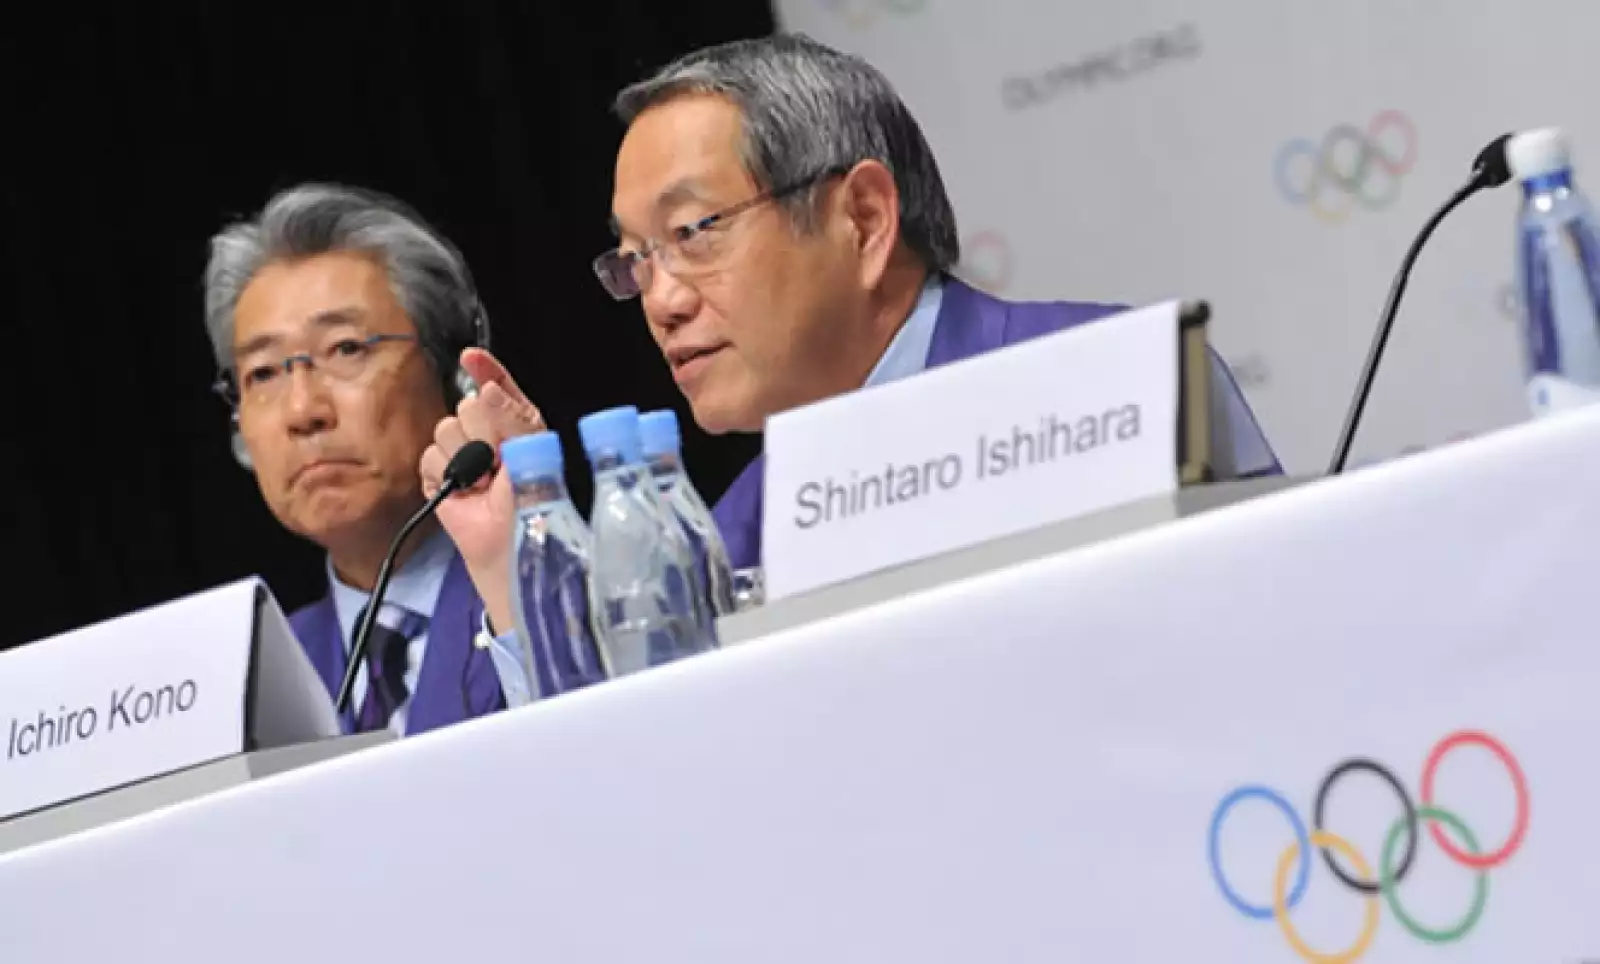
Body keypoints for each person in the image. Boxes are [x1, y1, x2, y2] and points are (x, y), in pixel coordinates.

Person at [422, 34, 1281, 638]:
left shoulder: (1123, 390)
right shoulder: (736, 529)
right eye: (635, 259)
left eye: (693, 232)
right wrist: (513, 553)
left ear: (864, 221)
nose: (662, 300)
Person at [203, 183, 512, 736]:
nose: (303, 410)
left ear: (453, 373)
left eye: (346, 349)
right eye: (264, 373)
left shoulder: (553, 597)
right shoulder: (240, 690)